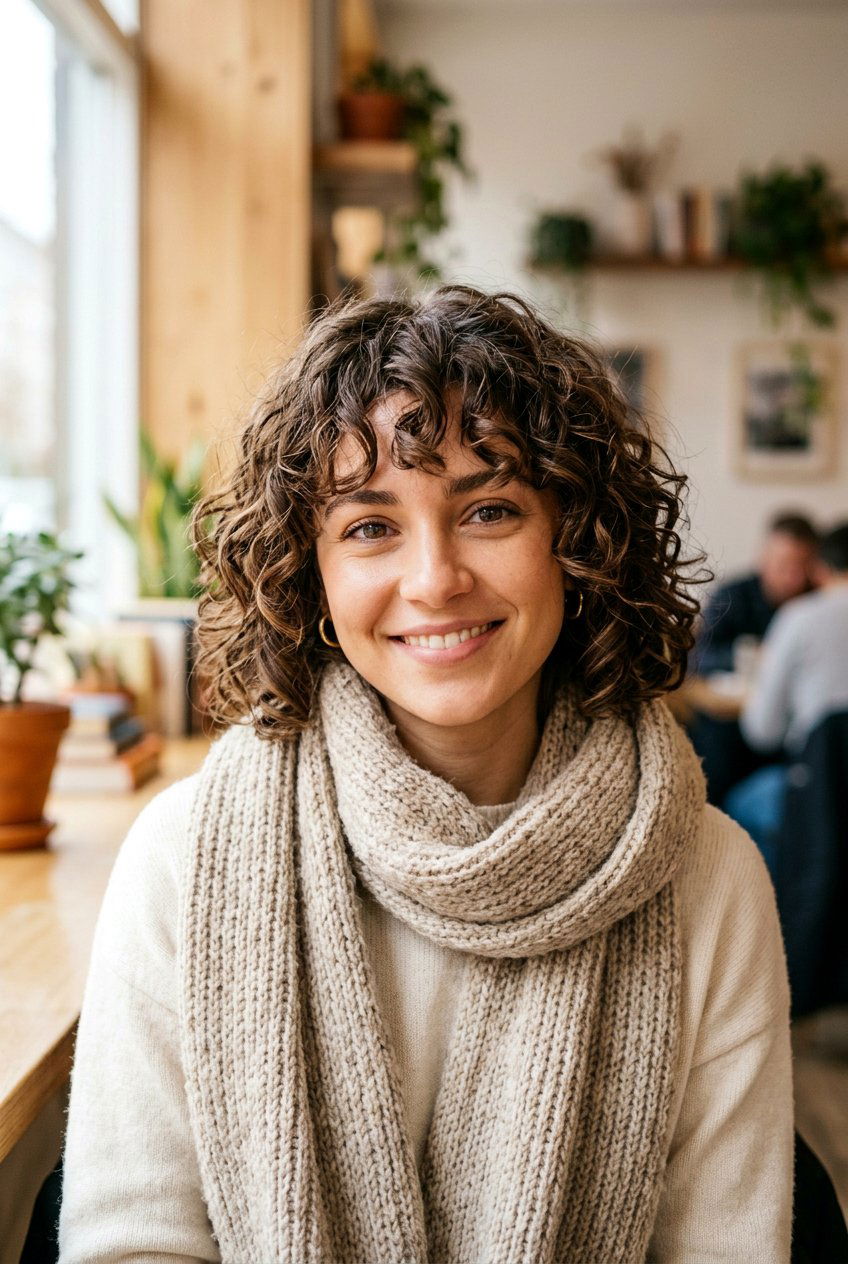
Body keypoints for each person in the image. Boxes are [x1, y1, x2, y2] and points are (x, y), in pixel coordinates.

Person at [59, 287, 792, 1262]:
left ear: (573, 541)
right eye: (369, 526)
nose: (434, 577)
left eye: (487, 508)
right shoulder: (181, 858)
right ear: (306, 567)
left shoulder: (706, 877)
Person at [724, 522, 848, 874]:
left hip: (819, 790)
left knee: (739, 805)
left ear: (821, 570)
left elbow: (762, 732)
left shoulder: (800, 618)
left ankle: (779, 917)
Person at [687, 513, 818, 806]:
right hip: (731, 720)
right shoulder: (733, 595)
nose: (793, 578)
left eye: (802, 567)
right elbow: (699, 657)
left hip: (792, 722)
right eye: (785, 566)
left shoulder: (815, 603)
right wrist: (748, 658)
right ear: (764, 558)